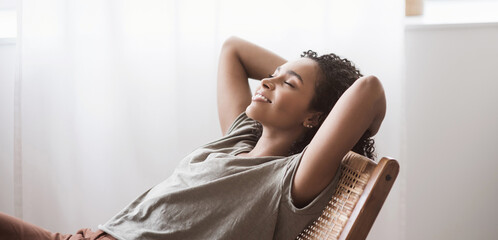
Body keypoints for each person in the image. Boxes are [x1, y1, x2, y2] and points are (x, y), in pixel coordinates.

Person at [0, 36, 386, 240]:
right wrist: (296, 81)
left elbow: (367, 90)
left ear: (315, 117)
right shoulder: (238, 138)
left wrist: (328, 97)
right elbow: (233, 48)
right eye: (274, 72)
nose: (267, 79)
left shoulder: (290, 181)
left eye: (286, 82)